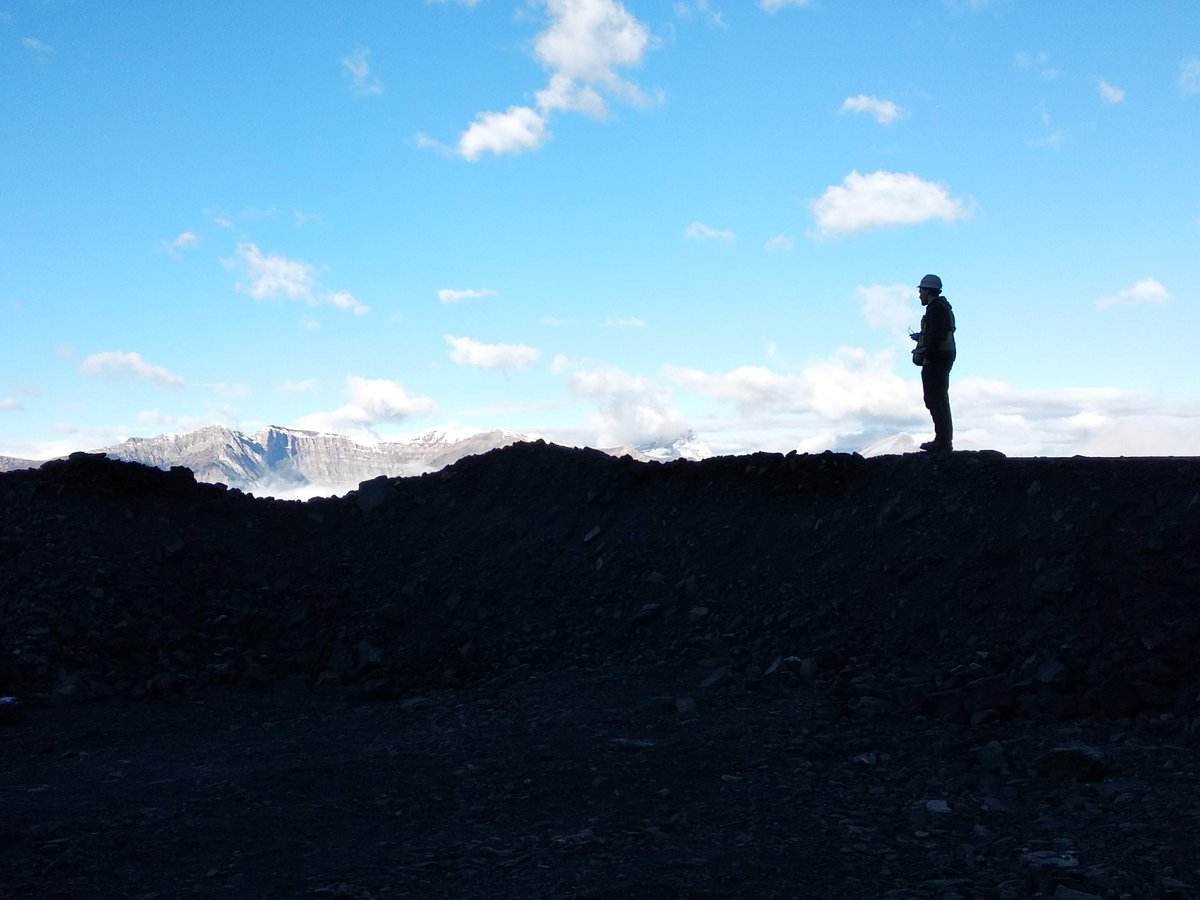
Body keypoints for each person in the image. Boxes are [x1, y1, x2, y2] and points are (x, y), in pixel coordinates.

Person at [910, 273, 956, 453]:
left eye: (921, 290)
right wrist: (921, 339)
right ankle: (943, 439)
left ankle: (943, 441)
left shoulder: (936, 309)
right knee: (938, 398)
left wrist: (927, 355)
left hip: (937, 359)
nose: (919, 294)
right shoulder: (941, 308)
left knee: (935, 398)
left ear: (928, 290)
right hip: (942, 357)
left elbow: (936, 335)